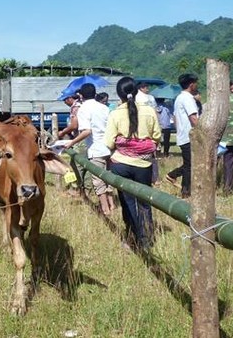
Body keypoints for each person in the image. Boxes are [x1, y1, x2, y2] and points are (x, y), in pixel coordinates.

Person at [105, 77, 161, 251]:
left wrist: (124, 144)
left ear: (118, 94)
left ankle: (133, 238)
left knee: (127, 202)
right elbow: (157, 136)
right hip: (143, 164)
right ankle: (146, 240)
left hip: (120, 164)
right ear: (136, 91)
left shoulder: (114, 113)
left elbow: (108, 143)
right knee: (144, 201)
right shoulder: (149, 111)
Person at [64, 83, 115, 216]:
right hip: (109, 147)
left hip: (96, 148)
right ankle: (112, 205)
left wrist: (72, 142)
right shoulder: (104, 107)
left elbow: (87, 131)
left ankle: (105, 209)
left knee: (98, 180)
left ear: (81, 95)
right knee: (109, 177)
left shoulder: (83, 109)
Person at [165, 74, 199, 198]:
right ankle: (185, 192)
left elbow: (175, 117)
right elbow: (193, 118)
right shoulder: (188, 99)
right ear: (191, 85)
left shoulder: (179, 97)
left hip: (183, 135)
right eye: (196, 83)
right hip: (189, 136)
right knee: (189, 166)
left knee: (189, 164)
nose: (197, 85)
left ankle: (173, 176)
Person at [221, 80, 233, 195]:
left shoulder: (224, 101)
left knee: (228, 164)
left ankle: (228, 188)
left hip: (228, 138)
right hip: (232, 137)